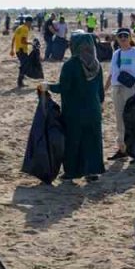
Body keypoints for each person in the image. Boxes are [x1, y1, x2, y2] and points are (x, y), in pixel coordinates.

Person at [41, 33, 105, 182]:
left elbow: (64, 87)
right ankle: (92, 171)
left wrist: (48, 86)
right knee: (93, 140)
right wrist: (100, 104)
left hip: (74, 111)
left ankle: (73, 171)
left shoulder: (71, 65)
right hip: (93, 110)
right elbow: (100, 91)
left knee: (73, 141)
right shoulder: (96, 64)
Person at [106, 28, 135, 160]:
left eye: (126, 35)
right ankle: (122, 149)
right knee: (120, 121)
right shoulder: (116, 54)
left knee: (133, 120)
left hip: (131, 90)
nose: (123, 38)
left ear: (130, 37)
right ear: (117, 39)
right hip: (116, 89)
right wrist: (104, 89)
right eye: (120, 36)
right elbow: (111, 74)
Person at [12, 18, 33, 88]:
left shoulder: (19, 28)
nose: (31, 25)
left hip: (18, 50)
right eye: (30, 23)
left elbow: (13, 39)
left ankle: (20, 81)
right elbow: (23, 41)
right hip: (22, 50)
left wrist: (12, 49)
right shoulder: (25, 29)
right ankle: (20, 82)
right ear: (28, 22)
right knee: (24, 66)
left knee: (24, 65)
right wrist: (31, 43)